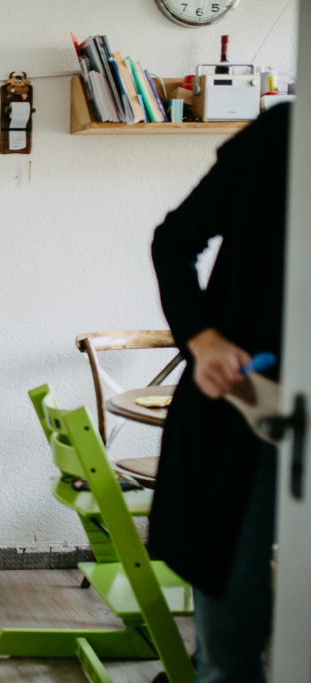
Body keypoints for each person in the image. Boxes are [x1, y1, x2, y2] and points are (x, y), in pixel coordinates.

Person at [150, 102, 290, 682]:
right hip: (250, 411)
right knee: (230, 634)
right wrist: (203, 340)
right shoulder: (281, 138)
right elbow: (174, 241)